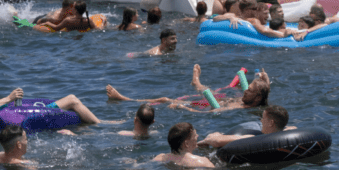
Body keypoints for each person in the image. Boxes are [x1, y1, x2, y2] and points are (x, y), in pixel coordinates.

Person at [106, 64, 271, 112]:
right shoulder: (251, 99)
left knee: (164, 99)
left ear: (256, 98)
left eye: (249, 90)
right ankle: (197, 82)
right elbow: (264, 94)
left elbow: (212, 112)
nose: (246, 90)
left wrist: (183, 108)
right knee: (212, 91)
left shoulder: (238, 107)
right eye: (247, 87)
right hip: (217, 100)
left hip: (206, 105)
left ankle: (125, 99)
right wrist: (266, 80)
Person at [0, 63, 100, 124]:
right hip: (31, 117)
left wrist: (14, 101)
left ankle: (97, 122)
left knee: (71, 104)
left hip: (30, 116)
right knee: (72, 99)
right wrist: (8, 98)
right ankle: (100, 124)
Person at [198, 105, 293, 148]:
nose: (260, 121)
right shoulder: (288, 136)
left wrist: (211, 137)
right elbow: (292, 127)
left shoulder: (253, 138)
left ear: (271, 123)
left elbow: (217, 141)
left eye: (263, 118)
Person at [213, 0, 295, 39]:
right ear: (247, 10)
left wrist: (230, 18)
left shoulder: (235, 16)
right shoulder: (252, 20)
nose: (256, 11)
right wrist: (283, 35)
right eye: (254, 9)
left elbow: (215, 18)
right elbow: (264, 31)